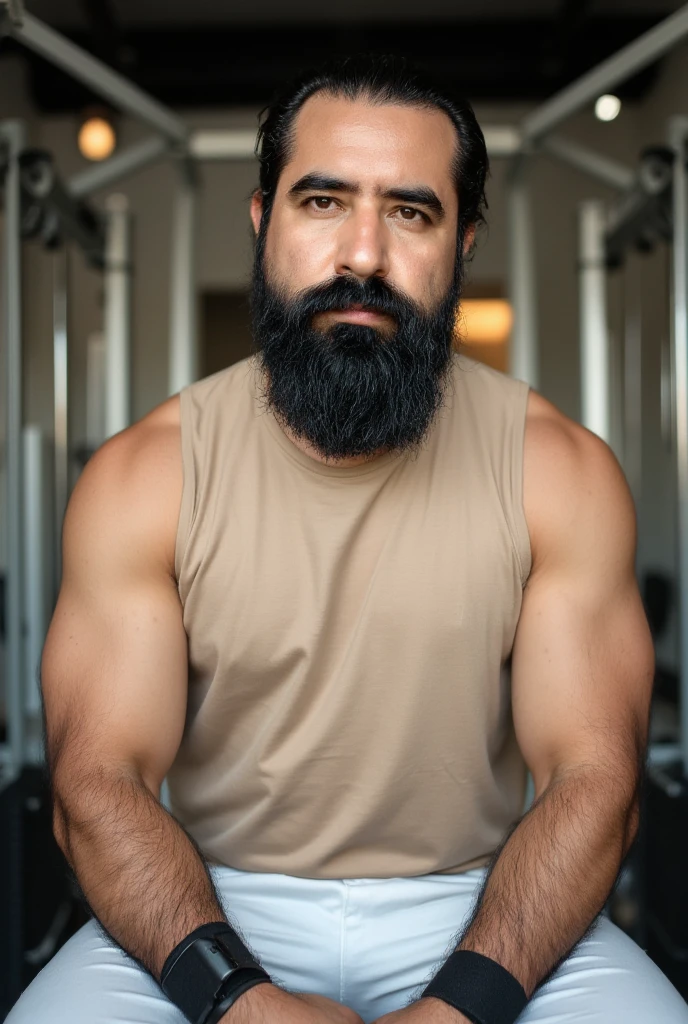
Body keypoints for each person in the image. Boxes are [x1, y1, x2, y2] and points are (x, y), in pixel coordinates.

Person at [7, 54, 688, 1024]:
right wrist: (234, 996)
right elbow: (96, 782)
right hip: (206, 898)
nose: (362, 253)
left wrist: (462, 1005)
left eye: (410, 212)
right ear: (262, 222)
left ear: (463, 243)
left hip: (482, 898)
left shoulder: (556, 469)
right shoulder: (143, 475)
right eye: (322, 202)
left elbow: (594, 780)